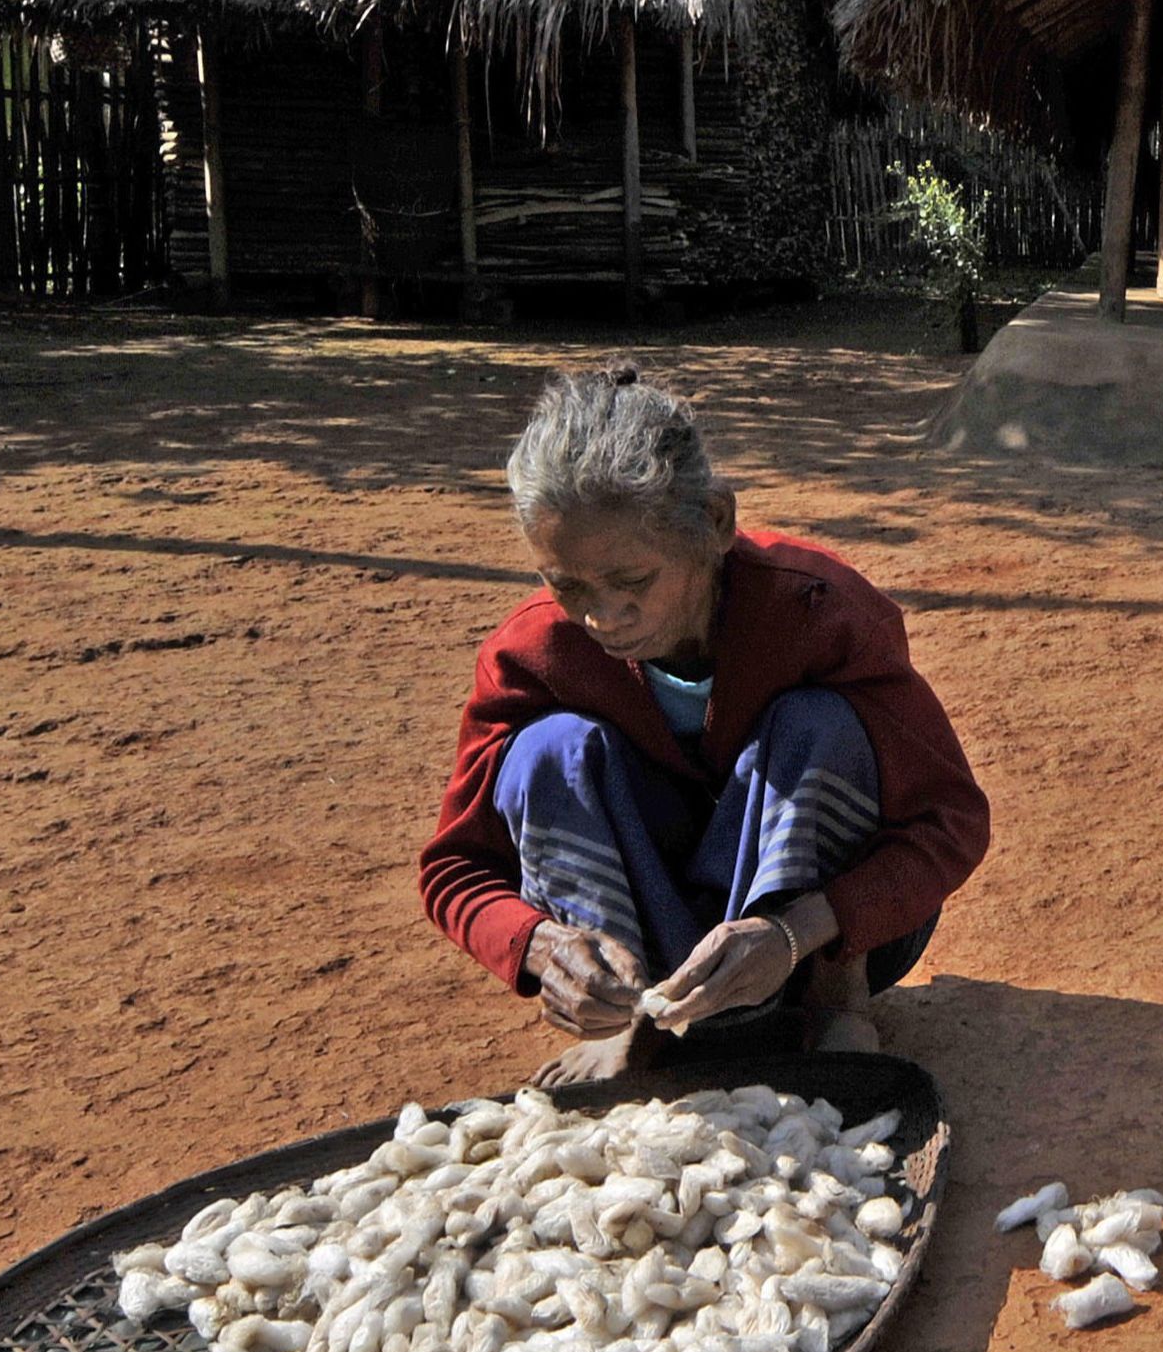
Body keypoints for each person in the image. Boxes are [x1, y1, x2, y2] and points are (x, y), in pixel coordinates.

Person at [420, 362, 989, 1081]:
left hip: (822, 931)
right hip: (654, 941)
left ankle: (833, 998)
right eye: (565, 585)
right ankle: (628, 1016)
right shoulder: (533, 654)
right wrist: (540, 947)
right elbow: (454, 866)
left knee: (820, 724)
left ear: (715, 523)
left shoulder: (821, 613)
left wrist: (795, 931)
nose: (601, 615)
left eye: (632, 581)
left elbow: (951, 820)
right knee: (546, 752)